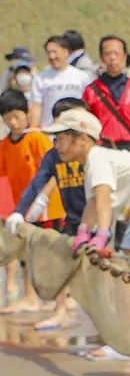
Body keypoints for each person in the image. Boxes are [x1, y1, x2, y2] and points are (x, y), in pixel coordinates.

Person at [7, 97, 89, 329]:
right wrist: (20, 211)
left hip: (96, 219)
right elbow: (37, 182)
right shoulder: (54, 155)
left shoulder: (93, 150)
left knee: (96, 270)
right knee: (59, 261)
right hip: (71, 216)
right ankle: (60, 311)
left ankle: (106, 326)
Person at [41, 107, 130, 256]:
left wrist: (101, 235)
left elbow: (103, 200)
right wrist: (83, 232)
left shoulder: (97, 159)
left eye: (61, 139)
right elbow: (93, 202)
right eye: (55, 140)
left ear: (82, 139)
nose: (56, 146)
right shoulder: (91, 163)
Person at [0, 89, 64, 314]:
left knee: (52, 252)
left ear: (26, 114)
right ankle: (30, 297)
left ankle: (61, 301)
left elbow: (54, 170)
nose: (13, 122)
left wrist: (43, 199)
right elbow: (3, 178)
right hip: (23, 210)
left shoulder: (36, 138)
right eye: (8, 118)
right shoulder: (5, 146)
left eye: (17, 116)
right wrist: (7, 210)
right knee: (27, 253)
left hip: (48, 207)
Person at [83, 36, 130, 159]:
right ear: (102, 58)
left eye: (116, 53)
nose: (112, 58)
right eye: (108, 54)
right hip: (101, 150)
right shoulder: (90, 91)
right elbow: (85, 123)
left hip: (129, 149)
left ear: (124, 56)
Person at [28, 36, 90, 129]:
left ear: (65, 52)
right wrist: (34, 127)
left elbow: (88, 103)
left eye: (54, 52)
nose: (51, 56)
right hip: (49, 130)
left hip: (75, 129)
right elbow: (36, 105)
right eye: (49, 53)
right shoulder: (40, 78)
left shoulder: (81, 77)